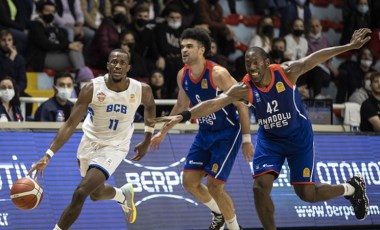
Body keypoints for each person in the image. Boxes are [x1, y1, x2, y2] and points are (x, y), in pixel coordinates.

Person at [152, 28, 372, 229]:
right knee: (259, 188)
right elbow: (214, 104)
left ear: (267, 62)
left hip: (298, 138)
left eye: (257, 62)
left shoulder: (287, 72)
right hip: (270, 141)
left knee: (307, 193)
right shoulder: (244, 88)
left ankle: (351, 187)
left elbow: (316, 57)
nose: (253, 68)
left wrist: (348, 47)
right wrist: (183, 115)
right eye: (249, 64)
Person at [28, 49, 156, 230]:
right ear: (107, 65)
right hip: (89, 142)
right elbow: (70, 124)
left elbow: (150, 107)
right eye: (114, 62)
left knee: (81, 192)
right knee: (96, 193)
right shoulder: (91, 88)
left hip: (116, 146)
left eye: (122, 63)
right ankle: (122, 195)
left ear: (128, 67)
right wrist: (48, 155)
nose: (117, 65)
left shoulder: (142, 89)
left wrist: (147, 139)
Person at [150, 27, 253, 230]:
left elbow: (242, 103)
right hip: (205, 133)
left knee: (215, 186)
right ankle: (218, 213)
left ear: (202, 50)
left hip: (227, 134)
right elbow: (181, 105)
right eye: (182, 47)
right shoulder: (182, 75)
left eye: (189, 46)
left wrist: (247, 139)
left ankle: (235, 228)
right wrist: (163, 131)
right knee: (189, 182)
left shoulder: (218, 74)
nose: (184, 50)